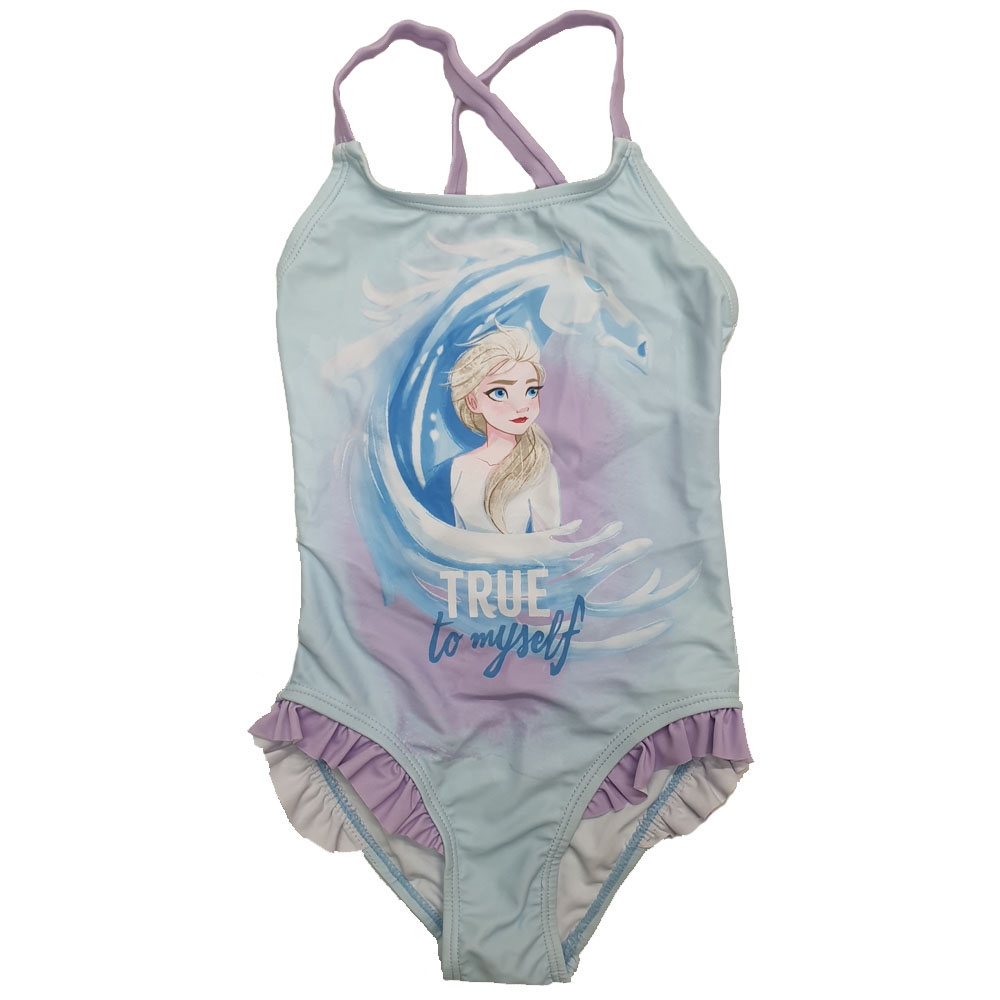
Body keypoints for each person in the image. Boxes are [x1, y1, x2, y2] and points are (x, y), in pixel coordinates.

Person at [445, 323, 560, 533]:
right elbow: (458, 536)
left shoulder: (539, 468)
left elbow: (548, 541)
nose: (521, 406)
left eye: (531, 391)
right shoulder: (459, 467)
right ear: (473, 402)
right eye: (500, 393)